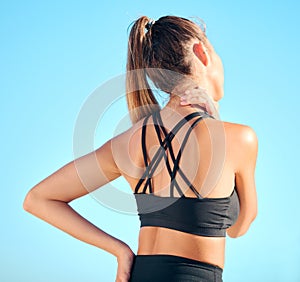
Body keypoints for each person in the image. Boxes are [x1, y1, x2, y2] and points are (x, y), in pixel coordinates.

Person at [23, 15, 258, 282]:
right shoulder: (239, 138)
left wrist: (120, 251)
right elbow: (239, 227)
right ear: (202, 53)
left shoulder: (127, 141)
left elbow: (38, 199)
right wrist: (213, 119)